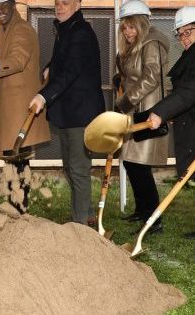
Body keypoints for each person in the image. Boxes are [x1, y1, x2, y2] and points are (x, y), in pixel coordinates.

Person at [29, 0, 105, 225]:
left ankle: (79, 227)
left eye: (66, 2)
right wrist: (50, 65)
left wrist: (44, 95)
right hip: (69, 112)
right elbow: (65, 59)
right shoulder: (67, 29)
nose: (59, 6)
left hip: (81, 113)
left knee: (78, 169)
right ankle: (88, 214)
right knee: (71, 168)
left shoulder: (81, 32)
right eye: (57, 2)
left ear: (78, 5)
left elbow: (71, 70)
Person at [0, 0, 50, 212]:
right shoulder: (6, 29)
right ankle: (16, 203)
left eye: (4, 6)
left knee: (18, 159)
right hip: (11, 106)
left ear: (13, 5)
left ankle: (20, 206)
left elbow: (19, 59)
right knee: (12, 160)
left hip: (20, 107)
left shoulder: (22, 29)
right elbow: (12, 55)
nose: (0, 11)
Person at [111, 0, 170, 234]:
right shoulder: (131, 46)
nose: (127, 32)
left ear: (143, 24)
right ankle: (143, 210)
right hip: (134, 110)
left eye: (132, 27)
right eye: (124, 28)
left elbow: (151, 77)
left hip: (148, 110)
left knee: (140, 166)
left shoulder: (152, 42)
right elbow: (128, 74)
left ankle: (154, 220)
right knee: (131, 163)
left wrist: (125, 102)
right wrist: (119, 80)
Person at [148, 6, 195, 238]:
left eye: (190, 31)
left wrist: (162, 112)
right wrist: (175, 113)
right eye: (180, 33)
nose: (184, 38)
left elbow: (189, 91)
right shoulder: (190, 55)